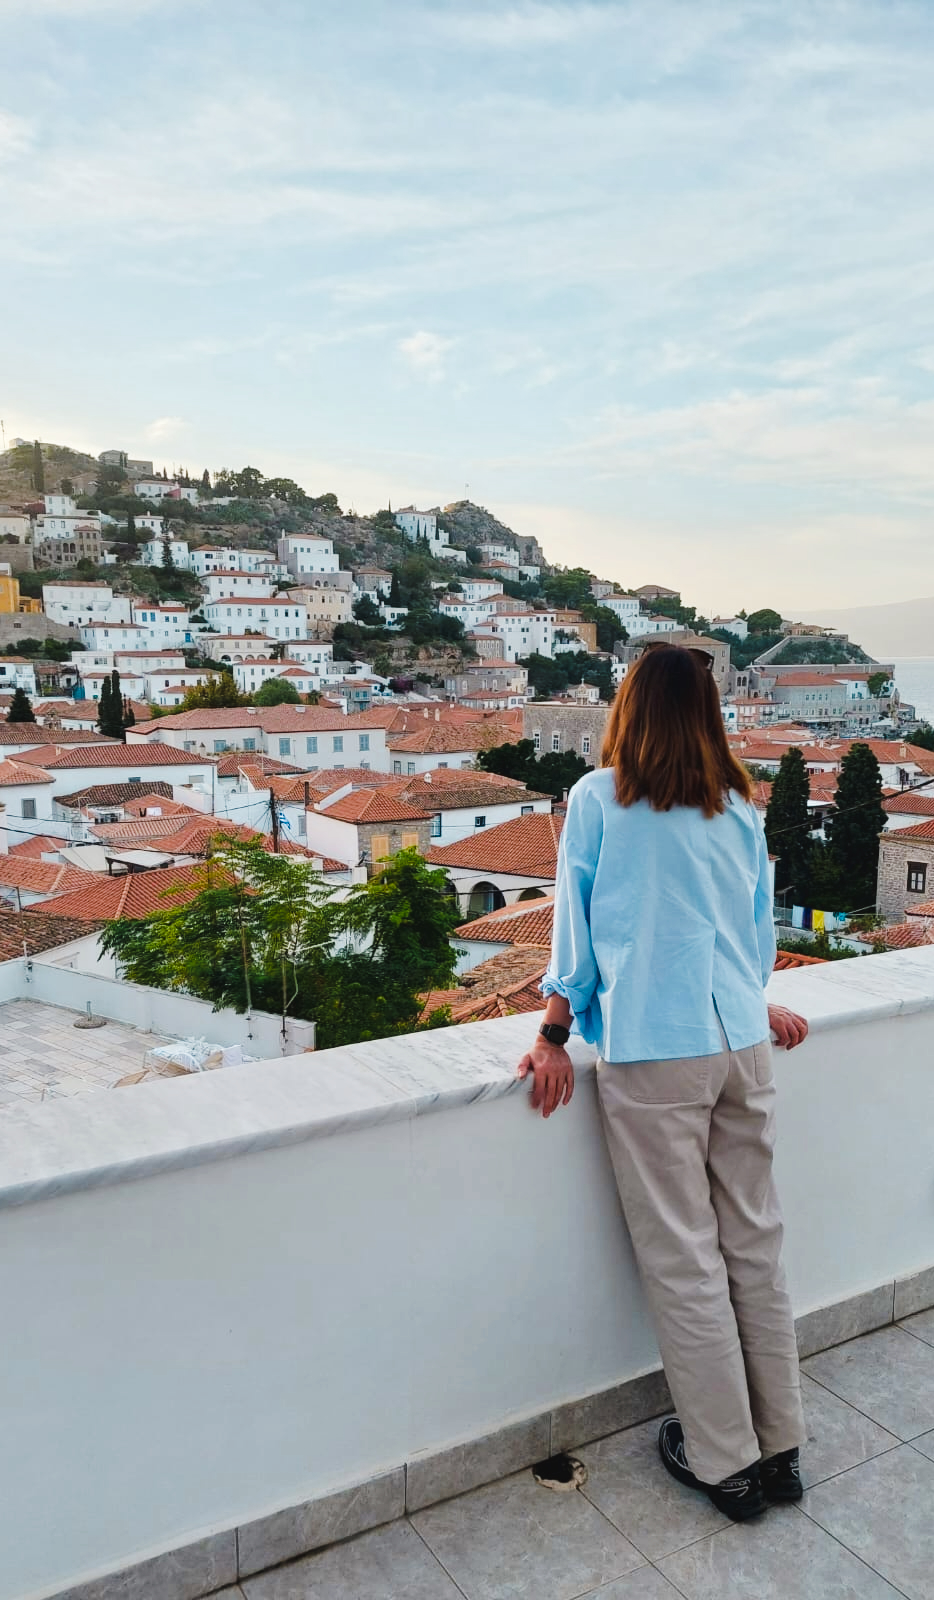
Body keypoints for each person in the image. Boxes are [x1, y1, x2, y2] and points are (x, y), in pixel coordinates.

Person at [517, 643, 809, 1522]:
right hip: (738, 1045)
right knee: (753, 1240)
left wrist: (551, 1034)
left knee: (685, 1258)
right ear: (711, 713)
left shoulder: (601, 800)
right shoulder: (739, 810)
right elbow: (751, 936)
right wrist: (756, 1006)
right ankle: (782, 1448)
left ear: (628, 707)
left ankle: (725, 1462)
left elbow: (579, 938)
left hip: (657, 1049)